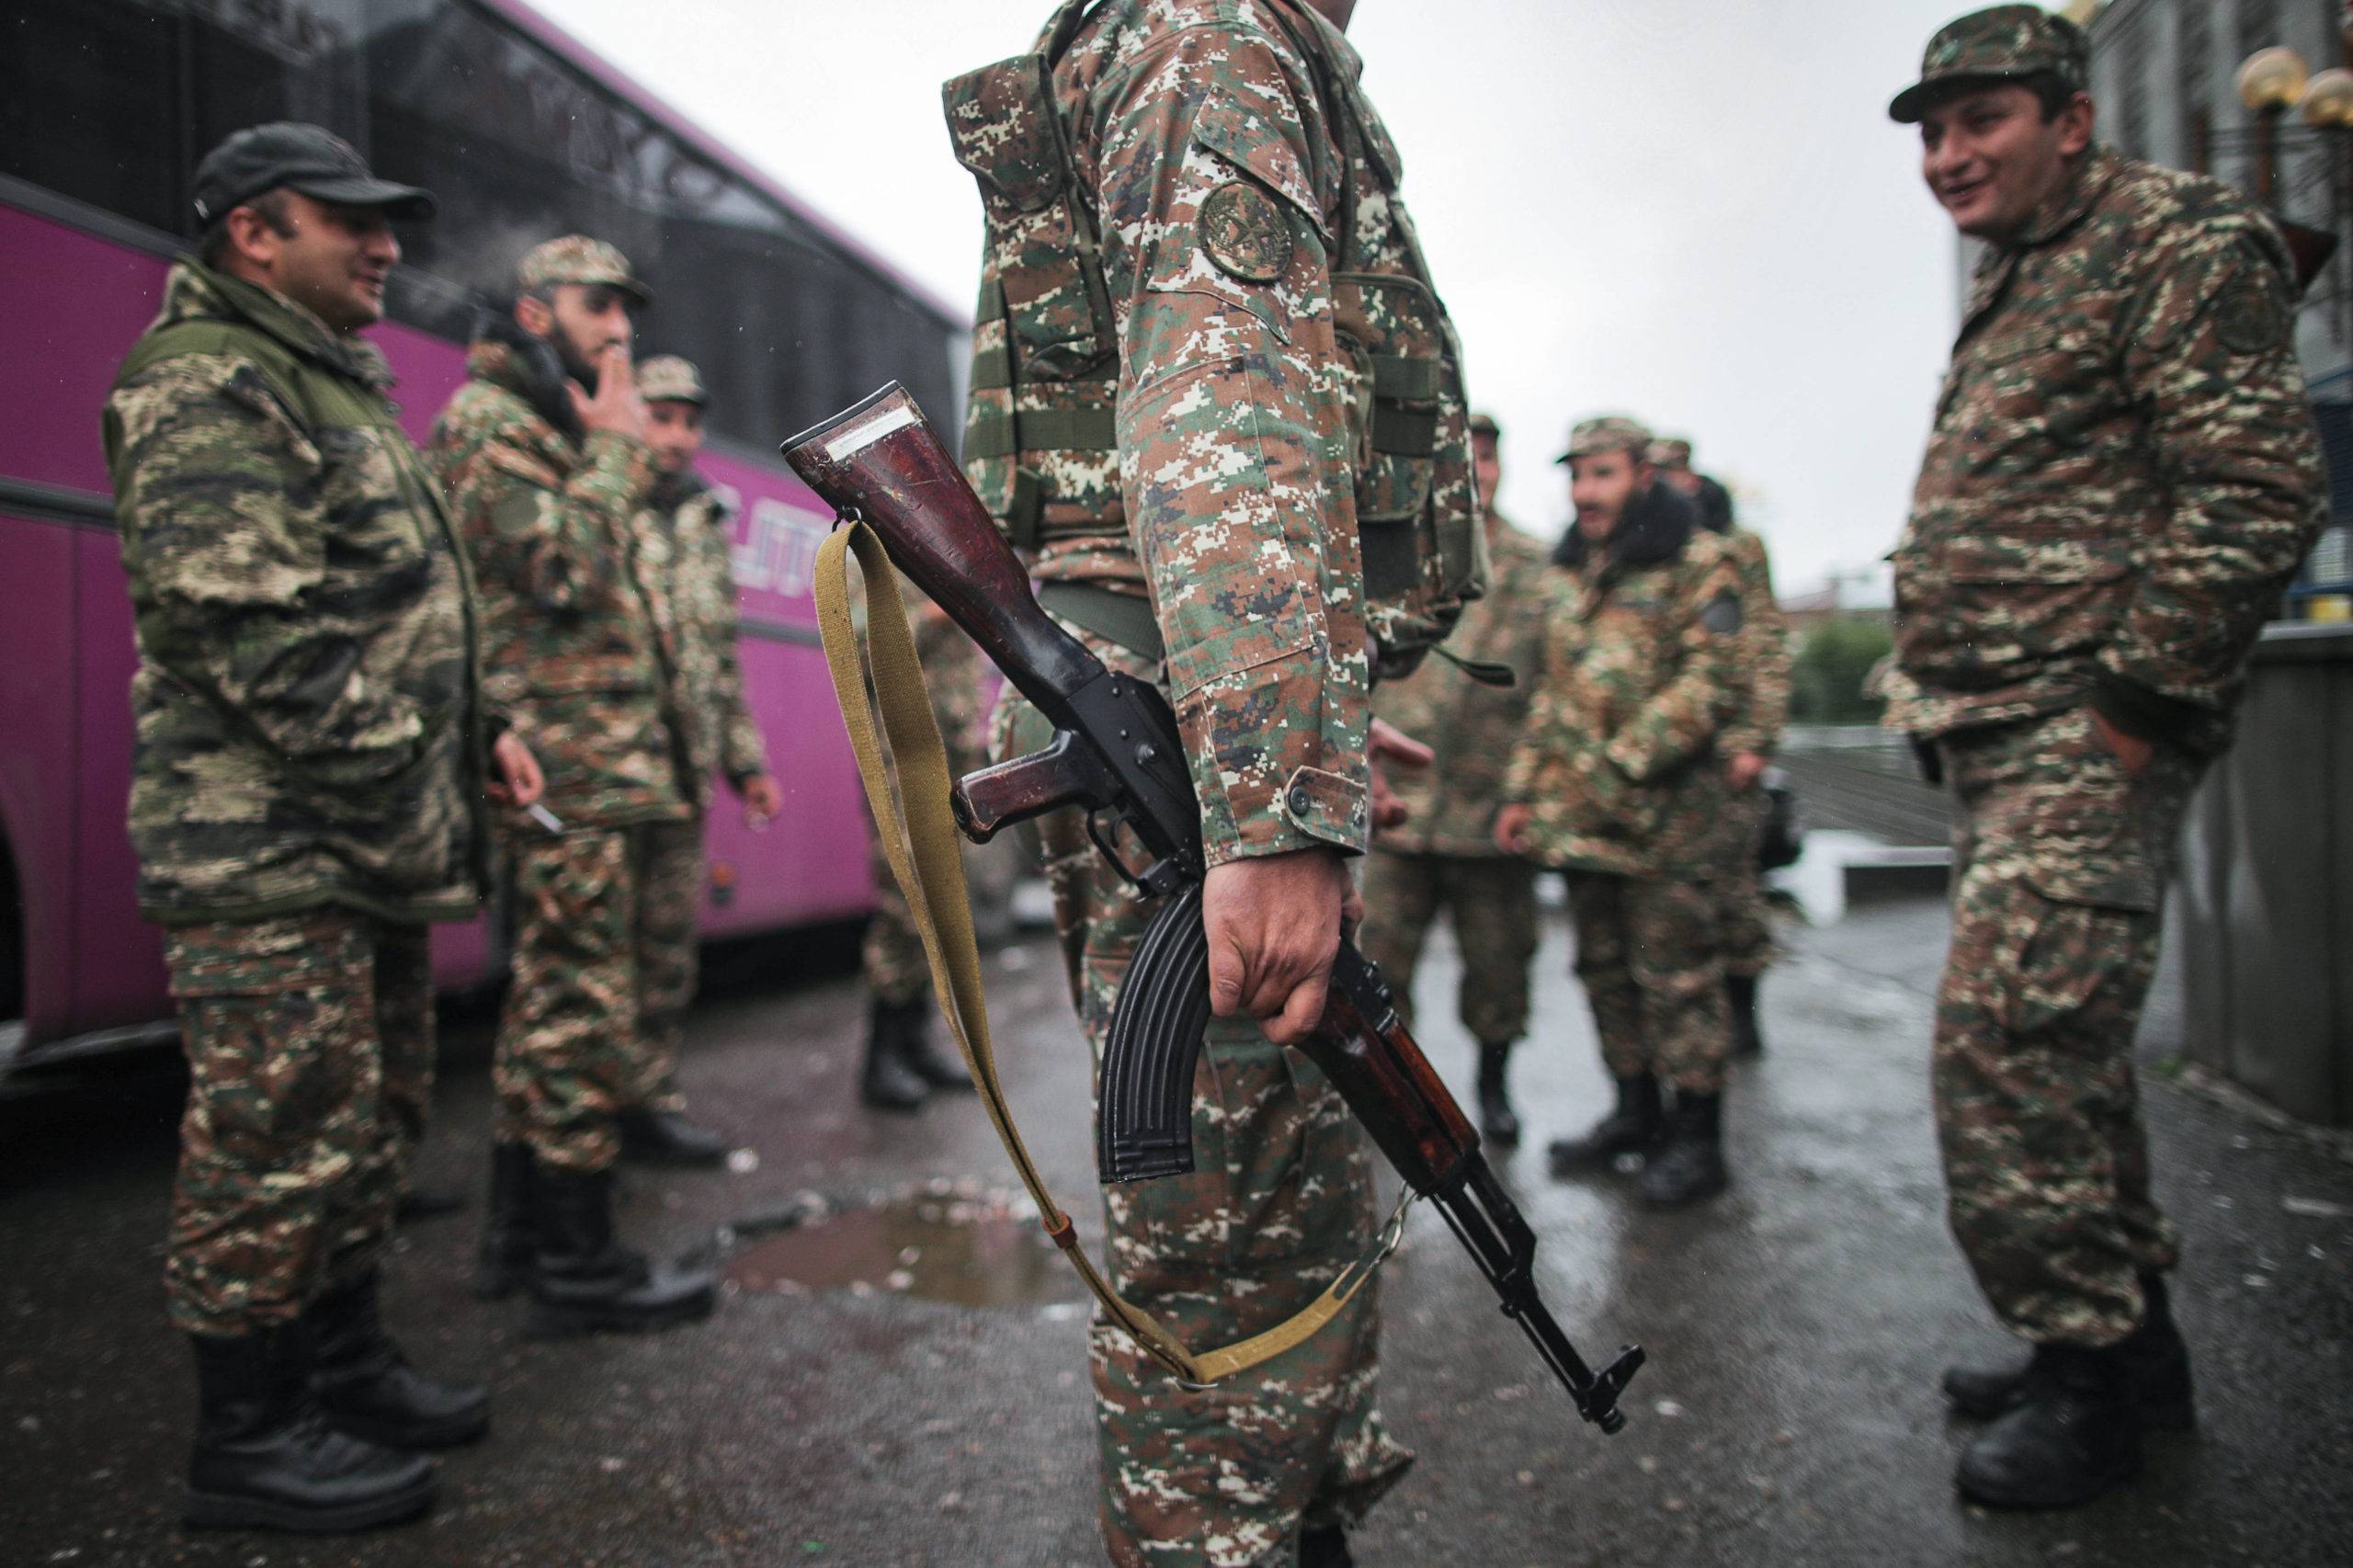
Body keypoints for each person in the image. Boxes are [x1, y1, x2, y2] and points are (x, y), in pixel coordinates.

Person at [944, 0, 1473, 1559]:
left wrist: (1289, 723)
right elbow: (1224, 408)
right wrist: (1273, 798)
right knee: (1230, 1244)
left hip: (1182, 715)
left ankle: (1286, 1521)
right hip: (1185, 740)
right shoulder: (1216, 31)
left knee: (1277, 1209)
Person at [1886, 6, 2325, 1509]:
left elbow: (2259, 491)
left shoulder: (2176, 240)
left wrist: (2128, 708)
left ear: (2071, 118)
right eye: (1933, 133)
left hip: (2089, 724)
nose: (1949, 155)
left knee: (2000, 1057)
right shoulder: (2031, 268)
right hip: (2010, 732)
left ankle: (2088, 1379)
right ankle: (2130, 1353)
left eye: (1981, 121)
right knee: (2063, 1064)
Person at [103, 122, 544, 1532]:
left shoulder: (330, 380)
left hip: (367, 837)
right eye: (346, 222)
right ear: (252, 231)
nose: (386, 247)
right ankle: (246, 1431)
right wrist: (406, 762)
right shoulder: (205, 379)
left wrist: (477, 737)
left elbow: (404, 608)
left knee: (367, 1121)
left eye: (388, 222)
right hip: (271, 846)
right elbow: (247, 629)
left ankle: (343, 1369)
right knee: (274, 1130)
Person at [427, 236, 716, 1335]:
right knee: (579, 1007)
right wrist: (611, 455)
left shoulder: (541, 427)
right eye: (598, 305)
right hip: (566, 769)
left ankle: (519, 1241)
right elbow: (564, 572)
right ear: (533, 313)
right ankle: (578, 1264)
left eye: (627, 311)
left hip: (598, 768)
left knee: (556, 1005)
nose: (621, 330)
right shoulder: (488, 426)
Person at [1497, 416, 1744, 1209]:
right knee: (1603, 972)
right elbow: (1550, 697)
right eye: (1576, 477)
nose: (1584, 492)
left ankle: (1698, 1140)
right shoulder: (1569, 572)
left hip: (1665, 823)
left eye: (1601, 474)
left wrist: (1619, 763)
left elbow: (1710, 685)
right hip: (1578, 822)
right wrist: (1523, 791)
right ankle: (1634, 1116)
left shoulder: (1700, 564)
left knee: (1678, 981)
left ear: (1642, 475)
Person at [1359, 413, 1552, 1142]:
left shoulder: (1536, 563)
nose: (1477, 474)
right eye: (1463, 460)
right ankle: (1399, 1101)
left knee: (1498, 967)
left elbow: (1556, 684)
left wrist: (1530, 790)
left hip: (1492, 805)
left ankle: (1493, 1089)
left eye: (1487, 459)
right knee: (1381, 965)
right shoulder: (1390, 556)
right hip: (1400, 806)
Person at [620, 354, 783, 1162]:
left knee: (663, 948)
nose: (680, 437)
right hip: (610, 770)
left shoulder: (702, 519)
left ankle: (647, 1102)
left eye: (690, 421)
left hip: (681, 771)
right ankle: (577, 1133)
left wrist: (744, 765)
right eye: (662, 417)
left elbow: (720, 660)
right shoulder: (603, 504)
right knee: (592, 960)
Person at [1651, 437, 1792, 1055]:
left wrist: (1754, 741)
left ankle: (1744, 1010)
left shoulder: (1735, 550)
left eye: (1677, 473)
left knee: (1733, 889)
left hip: (1724, 749)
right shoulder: (1655, 551)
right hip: (1671, 750)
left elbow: (1762, 644)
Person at [856, 574, 984, 1111]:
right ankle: (880, 1059)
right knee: (906, 901)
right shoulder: (870, 556)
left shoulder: (938, 556)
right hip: (900, 759)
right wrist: (933, 613)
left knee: (939, 904)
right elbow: (859, 648)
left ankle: (916, 1043)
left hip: (951, 756)